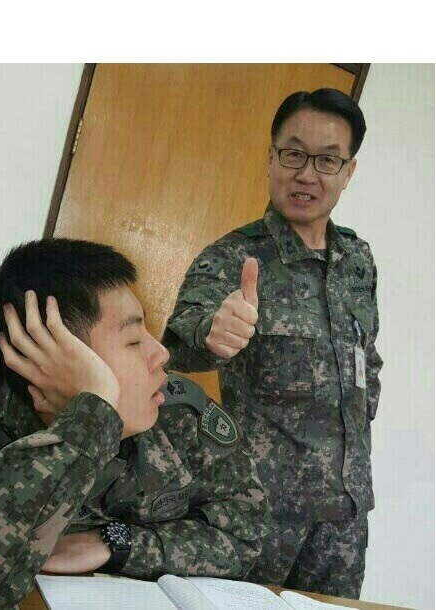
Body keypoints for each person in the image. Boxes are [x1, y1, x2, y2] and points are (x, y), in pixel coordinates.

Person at [0, 239, 268, 610]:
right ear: (49, 362)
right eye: (133, 340)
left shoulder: (174, 409)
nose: (161, 354)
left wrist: (116, 543)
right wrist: (89, 418)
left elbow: (245, 535)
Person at [163, 88, 383, 599]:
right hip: (260, 513)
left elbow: (365, 356)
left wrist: (363, 411)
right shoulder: (233, 257)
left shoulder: (358, 260)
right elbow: (176, 344)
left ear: (348, 172)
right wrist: (212, 335)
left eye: (327, 160)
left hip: (344, 516)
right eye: (293, 154)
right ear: (271, 158)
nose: (307, 174)